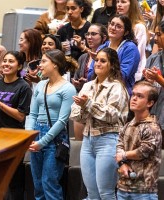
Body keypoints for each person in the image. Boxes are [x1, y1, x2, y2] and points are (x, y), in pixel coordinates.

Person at [70, 48, 129, 199]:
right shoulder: (87, 85)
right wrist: (85, 107)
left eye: (103, 61)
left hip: (108, 140)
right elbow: (75, 114)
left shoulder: (117, 87)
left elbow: (112, 115)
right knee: (92, 193)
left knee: (106, 192)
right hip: (88, 140)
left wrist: (88, 104)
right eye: (97, 60)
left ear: (112, 65)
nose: (98, 63)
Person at [0, 51, 32, 200]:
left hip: (14, 138)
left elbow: (20, 115)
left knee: (13, 180)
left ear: (19, 66)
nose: (6, 64)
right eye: (5, 61)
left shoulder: (24, 87)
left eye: (11, 61)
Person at [26, 49, 77, 200]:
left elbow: (62, 121)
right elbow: (32, 113)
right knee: (38, 185)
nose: (39, 65)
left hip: (54, 138)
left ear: (55, 64)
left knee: (50, 183)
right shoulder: (41, 85)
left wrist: (42, 142)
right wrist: (30, 135)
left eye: (43, 61)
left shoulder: (68, 88)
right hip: (37, 133)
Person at [116, 81, 162, 200]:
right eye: (133, 95)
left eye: (140, 96)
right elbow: (119, 146)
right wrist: (122, 163)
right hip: (123, 188)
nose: (134, 98)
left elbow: (142, 152)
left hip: (144, 192)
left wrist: (123, 155)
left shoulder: (152, 127)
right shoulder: (127, 125)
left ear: (150, 103)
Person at [87, 14, 140, 96]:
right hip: (98, 91)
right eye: (112, 24)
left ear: (126, 32)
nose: (113, 28)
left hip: (119, 92)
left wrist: (102, 68)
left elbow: (122, 76)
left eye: (118, 26)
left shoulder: (130, 48)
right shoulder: (102, 46)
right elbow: (90, 75)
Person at [142, 21, 164, 148]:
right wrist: (148, 82)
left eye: (159, 34)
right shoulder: (154, 58)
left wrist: (158, 78)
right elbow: (145, 85)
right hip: (155, 115)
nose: (155, 39)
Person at [116, 0, 148, 81]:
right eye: (117, 2)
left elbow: (138, 53)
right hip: (115, 70)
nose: (119, 5)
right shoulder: (114, 25)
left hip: (133, 73)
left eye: (123, 2)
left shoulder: (139, 27)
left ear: (132, 5)